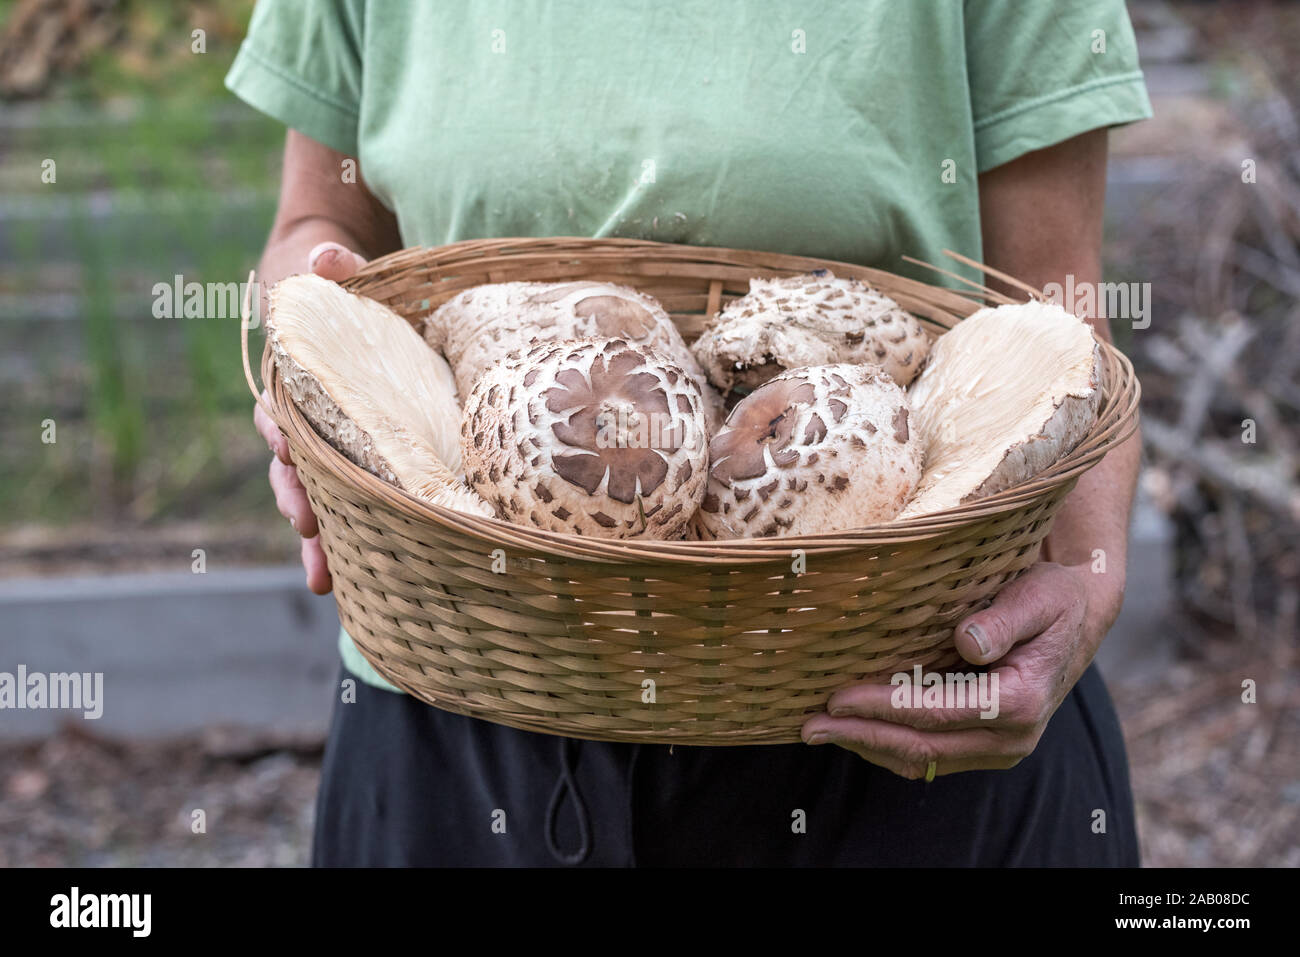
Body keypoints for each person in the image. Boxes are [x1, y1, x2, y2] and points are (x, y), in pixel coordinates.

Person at [228, 0, 1152, 866]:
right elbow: (317, 225)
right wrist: (319, 375)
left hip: (891, 711)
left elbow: (1056, 310)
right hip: (458, 688)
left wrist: (1086, 577)